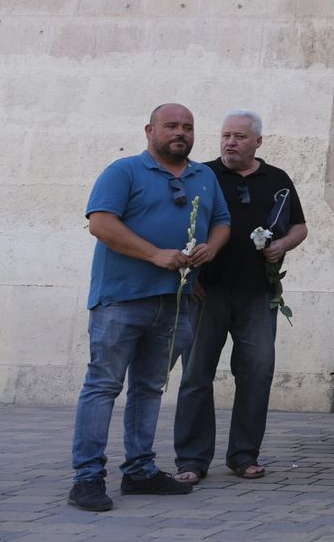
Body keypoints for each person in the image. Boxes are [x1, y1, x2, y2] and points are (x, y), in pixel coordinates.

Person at [70, 103, 230, 512]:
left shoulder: (205, 175)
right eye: (172, 126)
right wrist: (154, 254)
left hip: (175, 302)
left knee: (149, 388)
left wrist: (211, 247)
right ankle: (87, 478)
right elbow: (101, 224)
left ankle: (139, 471)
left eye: (188, 127)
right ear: (149, 130)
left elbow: (222, 221)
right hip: (121, 300)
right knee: (103, 386)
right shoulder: (123, 172)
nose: (181, 132)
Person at [174, 109, 308, 485]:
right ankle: (192, 459)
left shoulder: (277, 179)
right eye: (226, 135)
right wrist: (189, 274)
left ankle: (244, 454)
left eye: (239, 137)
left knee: (257, 373)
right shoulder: (201, 174)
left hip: (258, 294)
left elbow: (300, 226)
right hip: (206, 292)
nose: (230, 142)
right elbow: (178, 224)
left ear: (258, 142)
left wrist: (282, 244)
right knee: (196, 375)